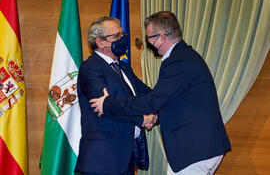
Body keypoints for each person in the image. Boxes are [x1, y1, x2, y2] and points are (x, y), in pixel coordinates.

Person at [90, 11, 231, 175]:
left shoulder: (179, 61)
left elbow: (152, 101)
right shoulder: (184, 56)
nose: (148, 42)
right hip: (199, 148)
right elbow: (170, 102)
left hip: (194, 148)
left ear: (162, 38)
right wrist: (154, 117)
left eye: (149, 38)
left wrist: (108, 104)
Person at [74, 16, 157, 175]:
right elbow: (109, 106)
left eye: (123, 34)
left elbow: (147, 94)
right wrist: (142, 118)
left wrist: (155, 112)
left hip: (126, 156)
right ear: (100, 42)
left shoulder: (124, 68)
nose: (123, 39)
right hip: (102, 158)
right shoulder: (90, 68)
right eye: (117, 36)